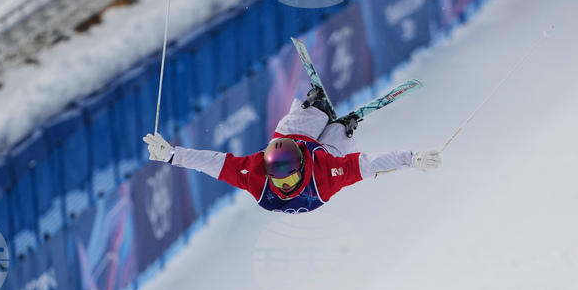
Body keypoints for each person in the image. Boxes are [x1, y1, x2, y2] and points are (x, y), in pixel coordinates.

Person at [143, 86, 441, 215]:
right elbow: (373, 164)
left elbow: (211, 162)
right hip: (318, 187)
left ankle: (317, 108)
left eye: (286, 179)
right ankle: (343, 128)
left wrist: (172, 154)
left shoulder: (323, 171)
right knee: (337, 138)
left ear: (300, 165)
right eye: (278, 180)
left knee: (301, 125)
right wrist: (412, 160)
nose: (283, 185)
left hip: (305, 146)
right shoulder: (260, 174)